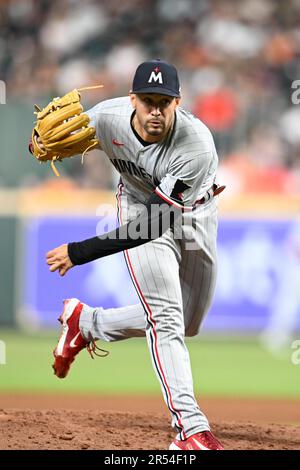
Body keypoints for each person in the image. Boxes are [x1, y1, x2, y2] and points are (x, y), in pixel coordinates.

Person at [45, 59, 225, 451]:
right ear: (132, 100)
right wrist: (36, 143)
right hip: (137, 207)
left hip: (192, 215)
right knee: (166, 319)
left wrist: (80, 251)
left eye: (164, 101)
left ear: (178, 103)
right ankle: (190, 429)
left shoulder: (195, 145)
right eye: (147, 100)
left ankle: (87, 323)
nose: (155, 110)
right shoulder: (107, 117)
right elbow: (51, 139)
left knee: (188, 323)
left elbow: (158, 224)